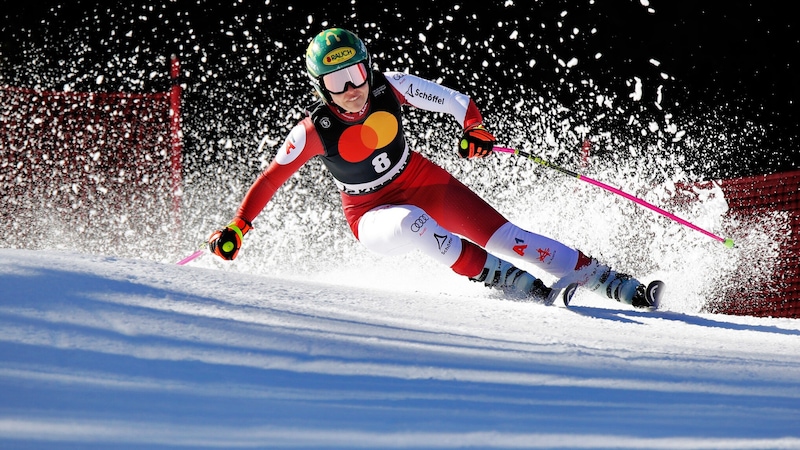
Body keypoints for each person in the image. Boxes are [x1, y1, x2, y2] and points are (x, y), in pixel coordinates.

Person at [207, 27, 663, 309]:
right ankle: (505, 280)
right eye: (335, 81)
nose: (351, 89)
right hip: (370, 215)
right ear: (320, 87)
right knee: (414, 224)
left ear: (367, 69)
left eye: (356, 74)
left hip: (421, 179)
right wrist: (239, 226)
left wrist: (474, 129)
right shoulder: (313, 131)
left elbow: (455, 102)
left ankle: (615, 283)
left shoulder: (390, 88)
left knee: (513, 237)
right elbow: (271, 178)